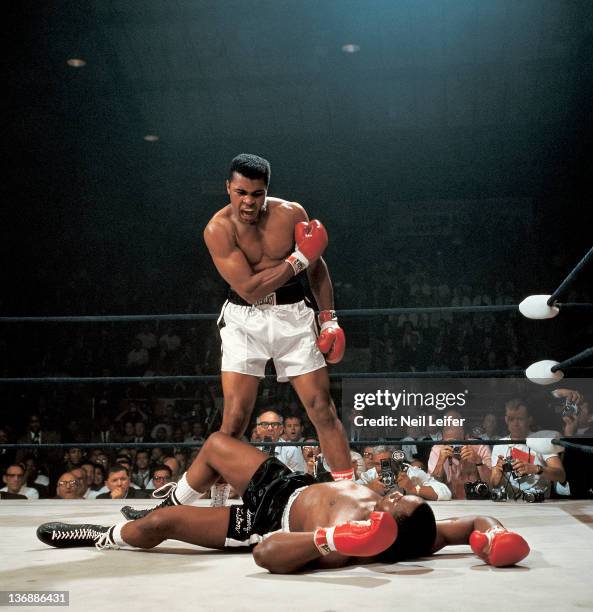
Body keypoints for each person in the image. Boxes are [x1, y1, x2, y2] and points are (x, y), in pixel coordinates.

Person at [37, 432, 530, 572]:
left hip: (266, 518)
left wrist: (330, 536)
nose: (392, 494)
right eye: (398, 497)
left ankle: (105, 537)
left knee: (161, 525)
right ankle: (170, 492)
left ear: (390, 529)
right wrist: (496, 537)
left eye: (392, 504)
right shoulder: (423, 527)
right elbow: (469, 524)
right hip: (288, 480)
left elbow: (266, 553)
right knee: (215, 444)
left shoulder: (358, 544)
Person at [202, 153, 351, 480]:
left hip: (293, 315)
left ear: (267, 190)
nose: (249, 202)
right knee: (235, 418)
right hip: (244, 320)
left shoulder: (291, 213)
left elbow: (317, 267)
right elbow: (251, 290)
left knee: (322, 409)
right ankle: (220, 499)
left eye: (257, 194)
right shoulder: (218, 229)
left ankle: (348, 492)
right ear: (228, 187)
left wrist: (329, 318)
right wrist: (298, 258)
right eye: (241, 193)